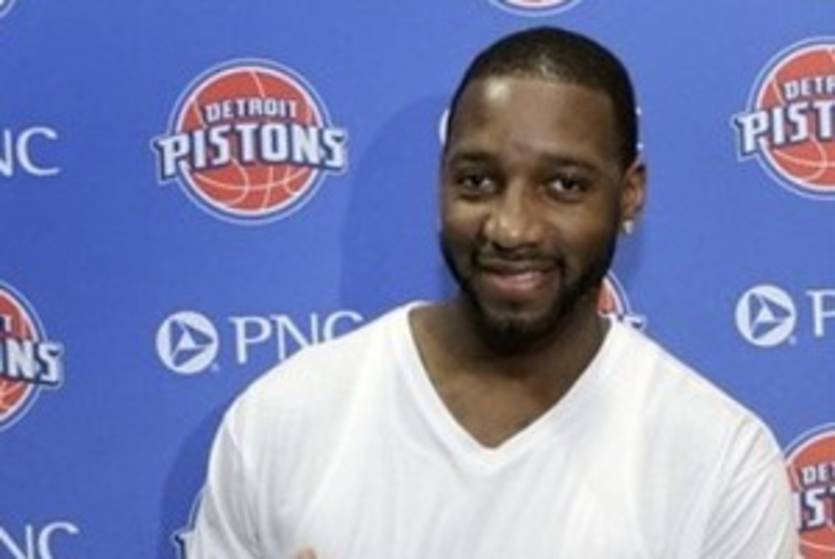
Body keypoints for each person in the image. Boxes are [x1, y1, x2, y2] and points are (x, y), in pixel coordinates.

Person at [182, 27, 797, 558]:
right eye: (477, 181)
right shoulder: (285, 420)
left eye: (564, 185)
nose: (511, 228)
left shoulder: (718, 461)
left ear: (630, 193)